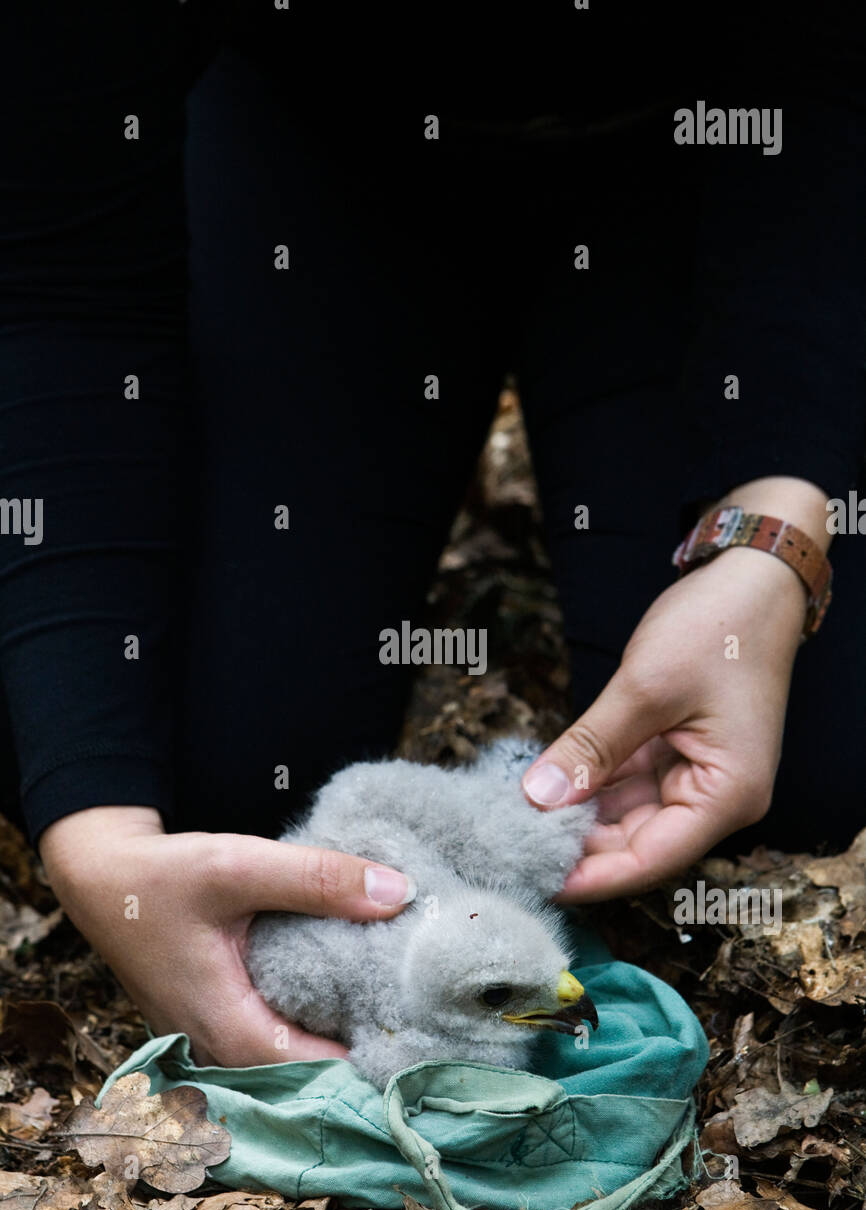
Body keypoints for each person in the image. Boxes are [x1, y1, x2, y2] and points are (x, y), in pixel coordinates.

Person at [1, 5, 864, 1067]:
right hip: (319, 153)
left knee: (804, 776)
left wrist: (768, 540)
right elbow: (58, 283)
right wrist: (97, 836)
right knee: (191, 771)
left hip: (723, 147)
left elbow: (833, 86)